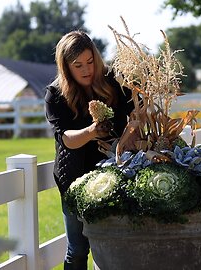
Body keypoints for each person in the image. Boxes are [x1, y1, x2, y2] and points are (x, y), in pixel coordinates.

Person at [45, 30, 134, 270]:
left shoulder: (114, 81)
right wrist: (93, 131)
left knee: (114, 243)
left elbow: (138, 113)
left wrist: (129, 135)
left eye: (90, 62)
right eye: (78, 65)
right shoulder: (55, 94)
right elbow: (66, 139)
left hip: (115, 172)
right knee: (78, 249)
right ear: (66, 67)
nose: (86, 70)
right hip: (74, 177)